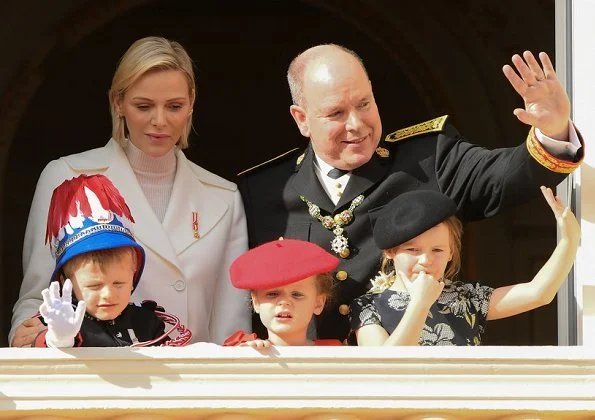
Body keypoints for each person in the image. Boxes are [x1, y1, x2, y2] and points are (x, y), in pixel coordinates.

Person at [238, 43, 584, 342]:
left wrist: (552, 130)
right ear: (301, 119)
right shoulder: (262, 189)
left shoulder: (429, 158)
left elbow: (509, 178)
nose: (357, 124)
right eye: (336, 113)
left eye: (364, 104)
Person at [10, 36, 249, 347]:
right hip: (95, 378)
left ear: (191, 104)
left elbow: (230, 322)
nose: (159, 121)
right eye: (143, 105)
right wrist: (27, 337)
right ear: (118, 103)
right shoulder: (66, 177)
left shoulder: (224, 196)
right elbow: (38, 294)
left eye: (174, 106)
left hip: (192, 384)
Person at [348, 187, 580, 346]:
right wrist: (420, 302)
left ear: (451, 253)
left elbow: (538, 293)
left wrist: (569, 241)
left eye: (437, 250)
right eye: (413, 250)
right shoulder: (368, 306)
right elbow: (383, 369)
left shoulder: (467, 298)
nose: (426, 260)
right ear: (390, 252)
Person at [34, 174, 191, 347]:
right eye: (94, 286)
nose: (108, 294)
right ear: (66, 284)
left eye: (119, 283)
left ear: (133, 277)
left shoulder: (146, 322)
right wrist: (59, 339)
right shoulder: (57, 320)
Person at [223, 239, 343, 347]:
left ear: (318, 303)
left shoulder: (335, 352)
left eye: (297, 294)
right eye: (272, 294)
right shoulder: (245, 348)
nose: (284, 302)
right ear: (256, 301)